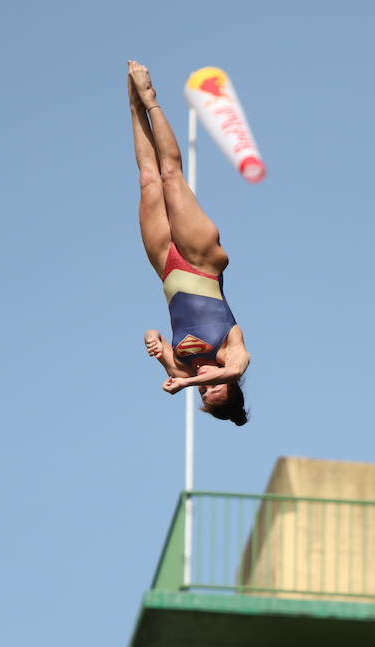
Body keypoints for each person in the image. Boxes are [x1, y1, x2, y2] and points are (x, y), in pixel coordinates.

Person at [127, 60, 250, 427]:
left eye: (204, 396)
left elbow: (155, 338)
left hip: (167, 268)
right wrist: (189, 383)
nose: (206, 391)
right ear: (232, 387)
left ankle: (132, 101)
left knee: (148, 181)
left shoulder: (182, 366)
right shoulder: (234, 356)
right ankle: (150, 99)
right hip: (201, 261)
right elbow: (221, 374)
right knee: (169, 174)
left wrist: (153, 342)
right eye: (215, 394)